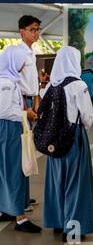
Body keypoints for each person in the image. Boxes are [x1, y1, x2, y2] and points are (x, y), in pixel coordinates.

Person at [39, 46, 93, 242]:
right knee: (76, 183)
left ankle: (57, 222)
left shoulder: (50, 86)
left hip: (52, 141)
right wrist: (81, 133)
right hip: (74, 138)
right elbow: (87, 116)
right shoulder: (79, 85)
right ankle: (72, 228)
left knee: (56, 181)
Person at [0, 45, 42, 233]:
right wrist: (27, 115)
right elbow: (5, 111)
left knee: (9, 169)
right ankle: (20, 218)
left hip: (11, 127)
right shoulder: (6, 83)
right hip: (9, 128)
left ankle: (8, 208)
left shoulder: (10, 80)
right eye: (21, 62)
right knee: (15, 170)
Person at [18, 15, 48, 212]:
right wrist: (24, 110)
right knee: (21, 153)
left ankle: (24, 197)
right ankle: (17, 200)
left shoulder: (30, 52)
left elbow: (32, 83)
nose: (36, 33)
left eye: (38, 29)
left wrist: (36, 102)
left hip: (31, 101)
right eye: (32, 29)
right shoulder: (18, 53)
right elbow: (15, 84)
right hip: (21, 105)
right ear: (22, 32)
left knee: (28, 152)